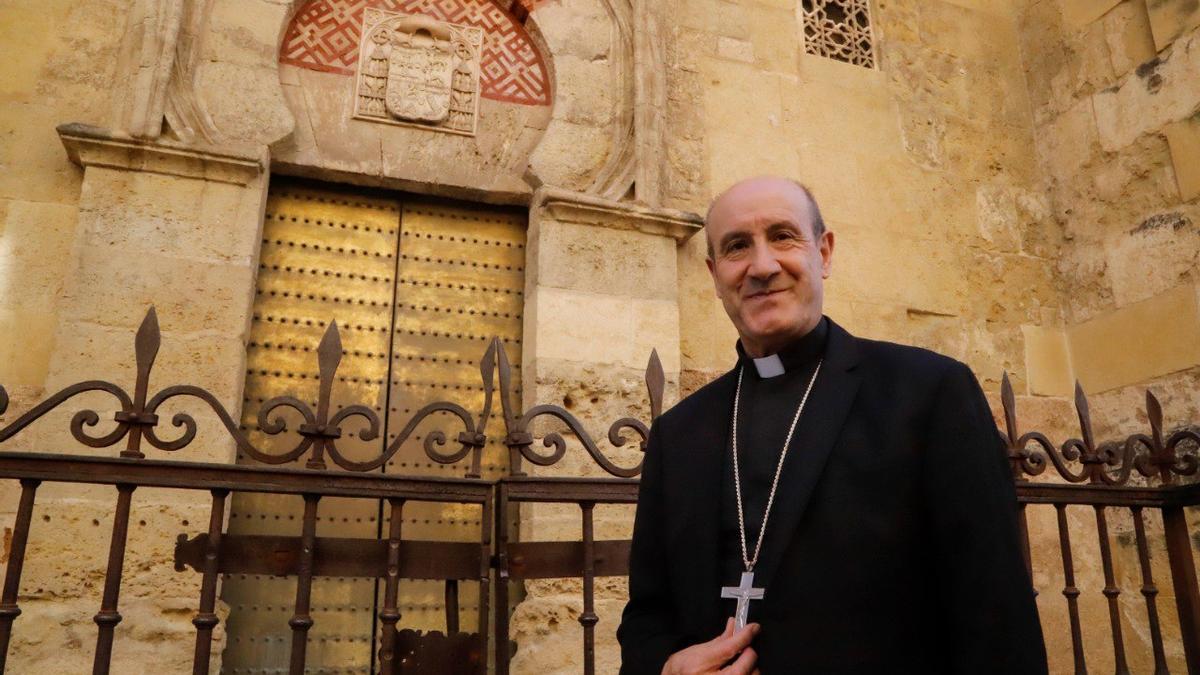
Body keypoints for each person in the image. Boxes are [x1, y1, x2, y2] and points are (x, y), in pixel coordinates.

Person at [616, 177, 1047, 674]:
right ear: (715, 275)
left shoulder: (927, 393)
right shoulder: (679, 434)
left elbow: (996, 616)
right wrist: (668, 668)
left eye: (782, 236)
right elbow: (646, 618)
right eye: (737, 247)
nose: (762, 266)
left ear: (823, 253)